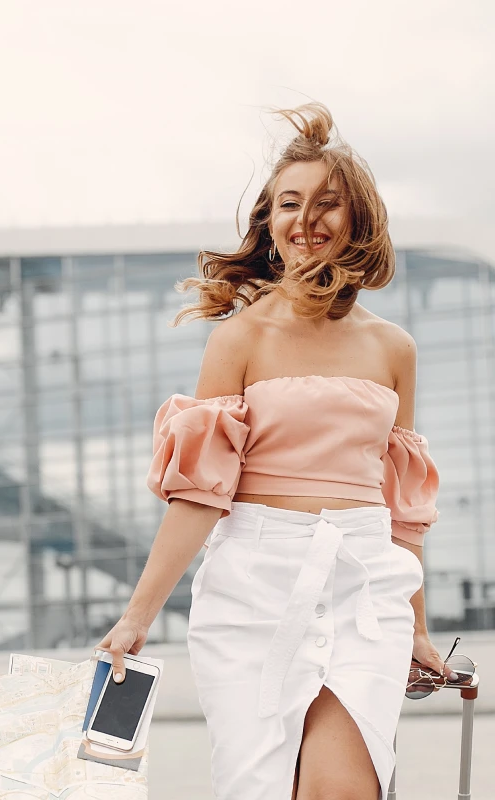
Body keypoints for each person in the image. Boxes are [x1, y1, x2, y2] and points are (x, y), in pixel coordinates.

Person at [97, 103, 447, 799]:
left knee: (342, 788)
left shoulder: (394, 349)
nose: (306, 219)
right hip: (252, 590)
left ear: (358, 222)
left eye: (328, 204)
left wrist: (417, 628)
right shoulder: (239, 340)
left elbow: (401, 513)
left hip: (364, 586)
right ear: (269, 222)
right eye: (290, 203)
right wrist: (137, 616)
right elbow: (199, 495)